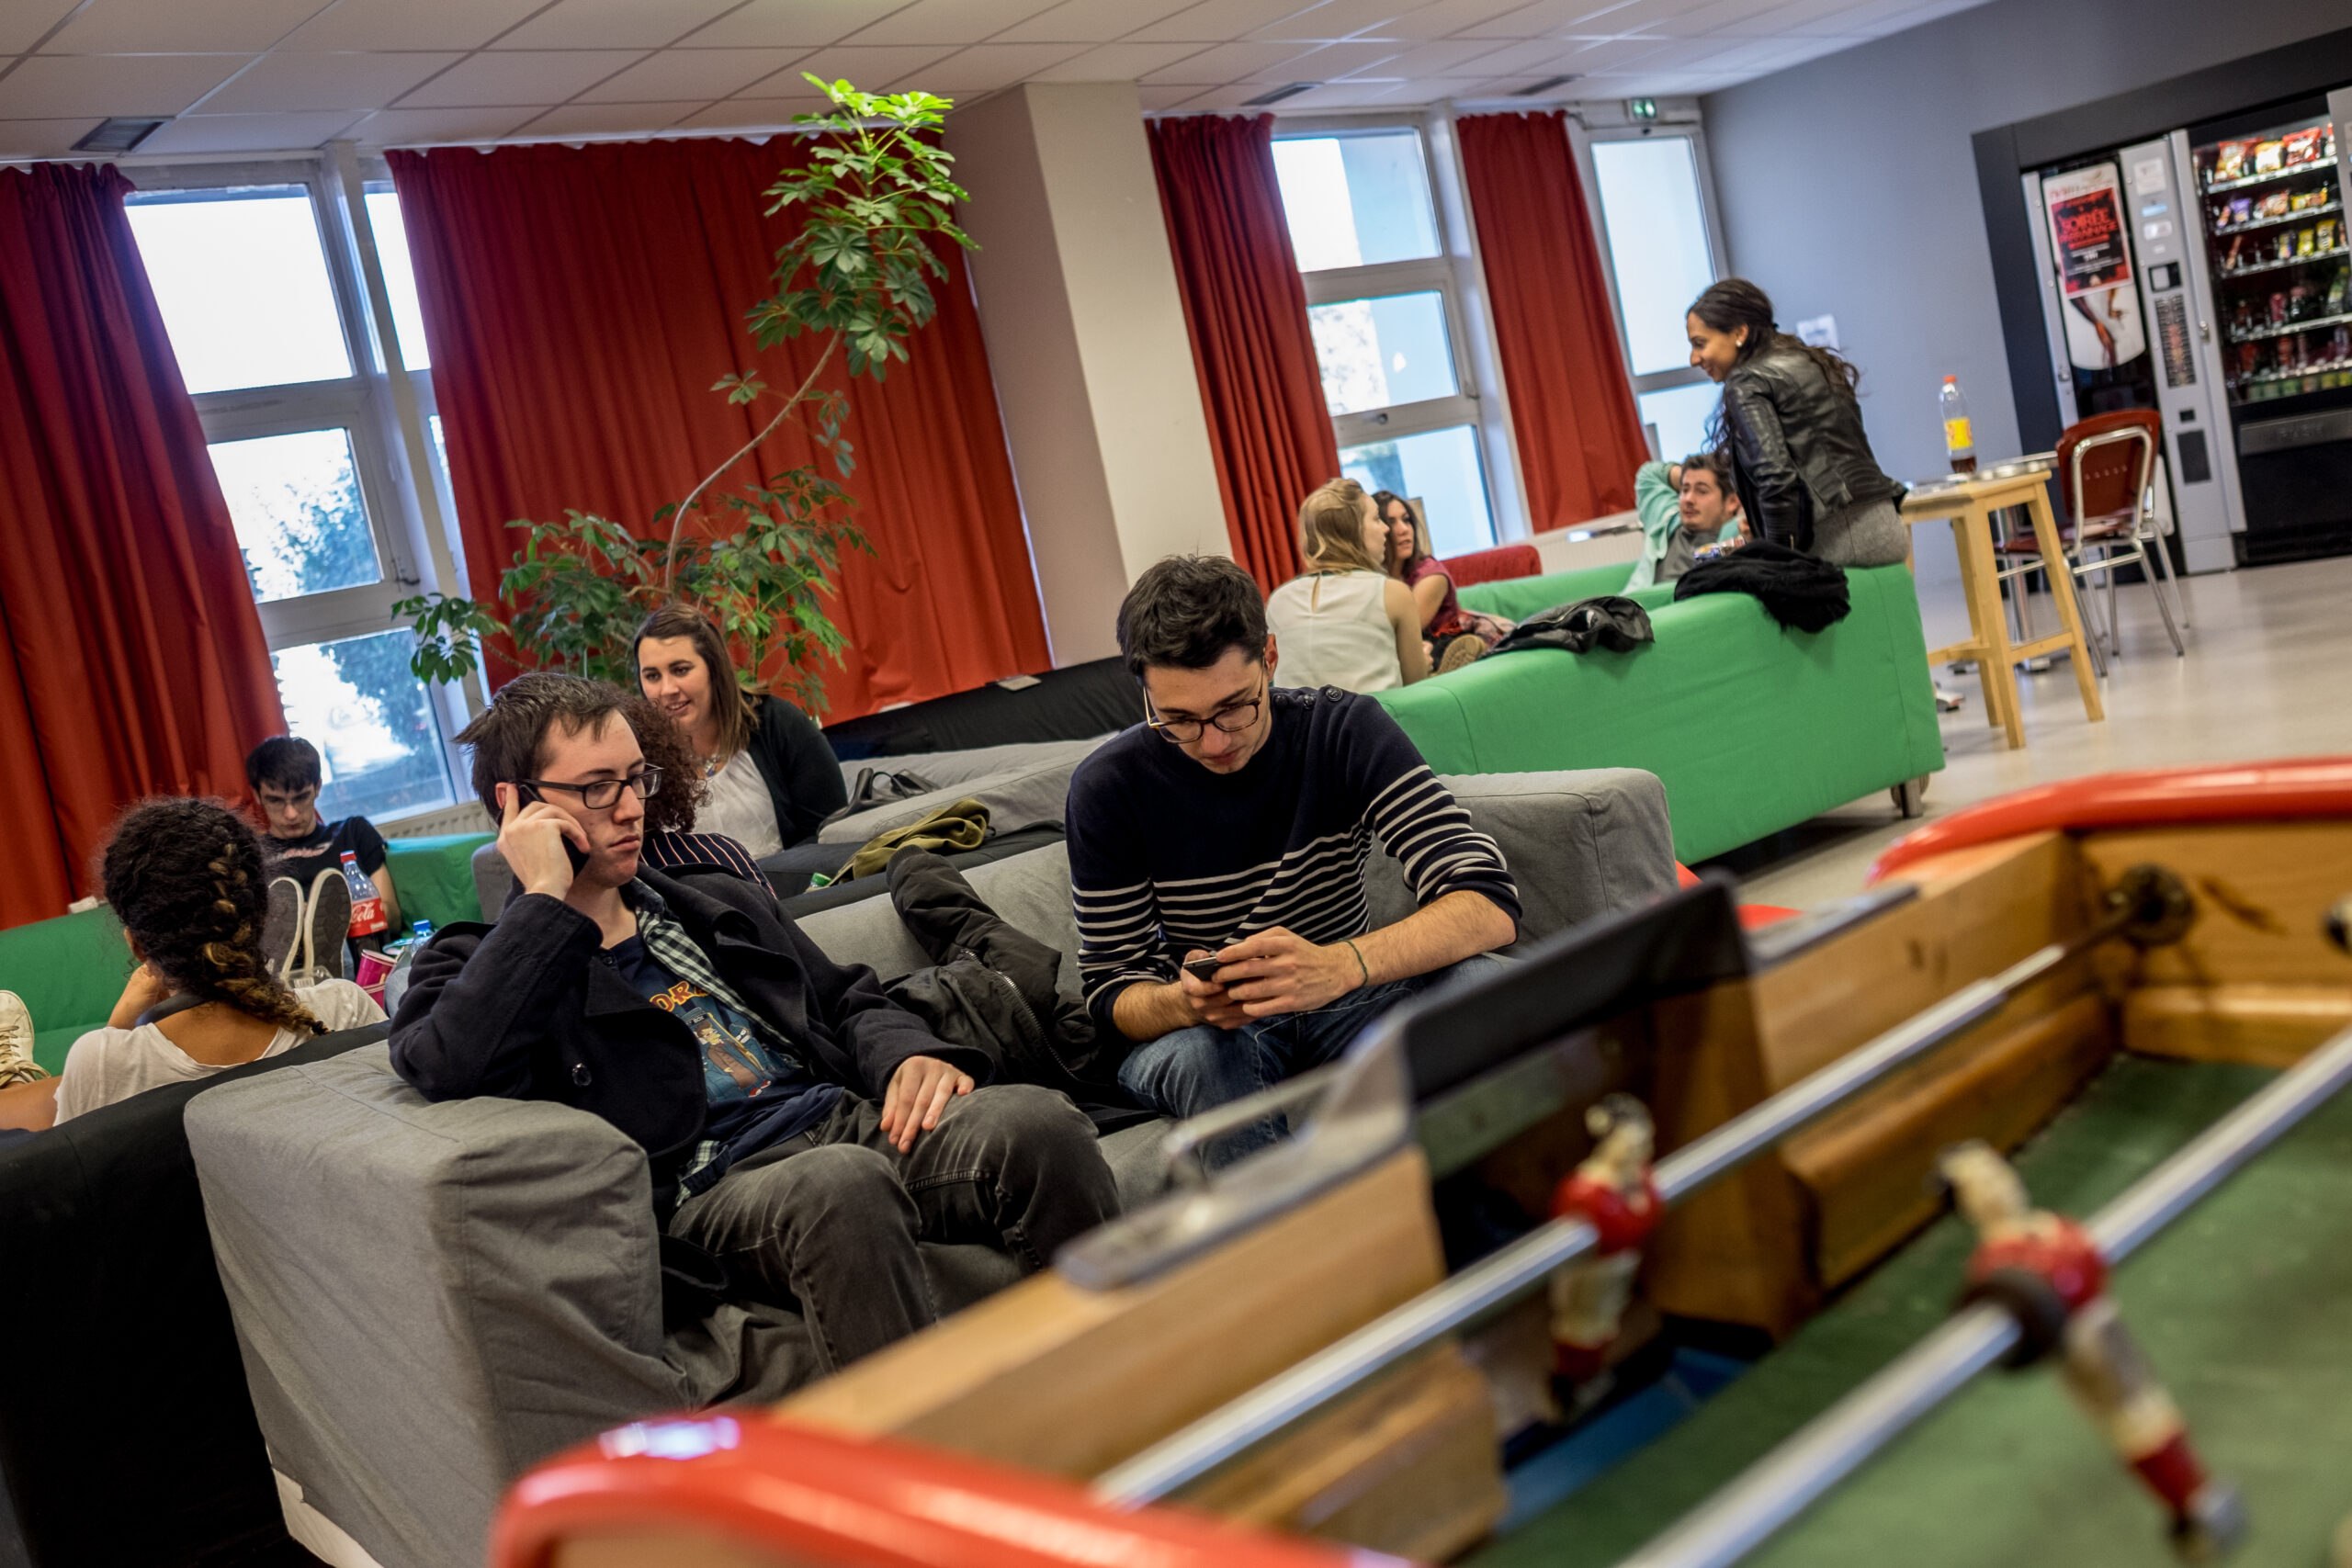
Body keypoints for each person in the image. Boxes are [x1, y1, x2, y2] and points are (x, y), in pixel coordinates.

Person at [390, 673, 1117, 1374]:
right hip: (712, 1184)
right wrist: (545, 898)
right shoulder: (479, 957)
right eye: (594, 788)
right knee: (841, 1186)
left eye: (634, 778)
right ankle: (914, 1488)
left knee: (1037, 1123)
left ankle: (1128, 1392)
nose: (630, 807)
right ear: (516, 805)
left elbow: (843, 997)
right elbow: (444, 1061)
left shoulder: (707, 898)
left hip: (839, 1117)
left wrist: (906, 1056)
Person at [1066, 555, 1521, 1169]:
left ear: (1271, 658)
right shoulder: (1108, 787)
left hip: (1344, 993)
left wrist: (1342, 964)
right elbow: (1109, 992)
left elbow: (1487, 900)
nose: (1215, 741)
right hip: (1208, 1028)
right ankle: (1307, 1255)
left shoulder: (1342, 729)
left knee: (1496, 989)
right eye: (1178, 719)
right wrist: (1186, 1000)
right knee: (1210, 1061)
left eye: (1235, 706)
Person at [0, 798, 383, 1134]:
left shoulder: (104, 1062)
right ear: (263, 918)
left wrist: (117, 1031)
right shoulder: (344, 1006)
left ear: (137, 946)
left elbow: (82, 1155)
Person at [1685, 278, 1907, 570]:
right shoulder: (1809, 360)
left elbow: (1776, 478)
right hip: (1885, 527)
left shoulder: (1745, 382)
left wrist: (1779, 562)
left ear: (1740, 332)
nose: (1693, 359)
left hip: (1838, 541)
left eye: (1700, 344)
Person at [633, 604, 847, 861]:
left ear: (714, 668)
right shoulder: (637, 756)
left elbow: (831, 835)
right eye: (653, 676)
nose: (667, 689)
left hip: (794, 892)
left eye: (680, 670)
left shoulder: (778, 724)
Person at [1265, 479, 1430, 694]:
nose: (1385, 529)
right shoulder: (1392, 592)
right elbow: (1416, 687)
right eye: (1376, 518)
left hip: (1299, 726)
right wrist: (1423, 662)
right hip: (1372, 723)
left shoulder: (1278, 600)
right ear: (1352, 530)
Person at [620, 693, 775, 894]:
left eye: (636, 778)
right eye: (599, 787)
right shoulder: (719, 853)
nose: (632, 809)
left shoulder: (716, 859)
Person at [246, 736, 400, 927]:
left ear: (317, 788)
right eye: (276, 800)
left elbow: (392, 917)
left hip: (358, 945)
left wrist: (320, 914)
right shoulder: (250, 855)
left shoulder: (352, 832)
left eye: (301, 797)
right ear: (257, 795)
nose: (291, 814)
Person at [1374, 491, 1511, 669]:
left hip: (1454, 642)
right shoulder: (1374, 578)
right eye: (1391, 522)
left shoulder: (1431, 575)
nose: (1404, 529)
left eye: (1406, 520)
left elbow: (1407, 631)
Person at [1628, 452, 1747, 590]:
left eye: (1702, 491)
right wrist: (1688, 474)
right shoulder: (1668, 520)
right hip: (1629, 606)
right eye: (1684, 489)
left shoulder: (1738, 534)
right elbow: (1647, 475)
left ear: (1732, 501)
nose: (1688, 499)